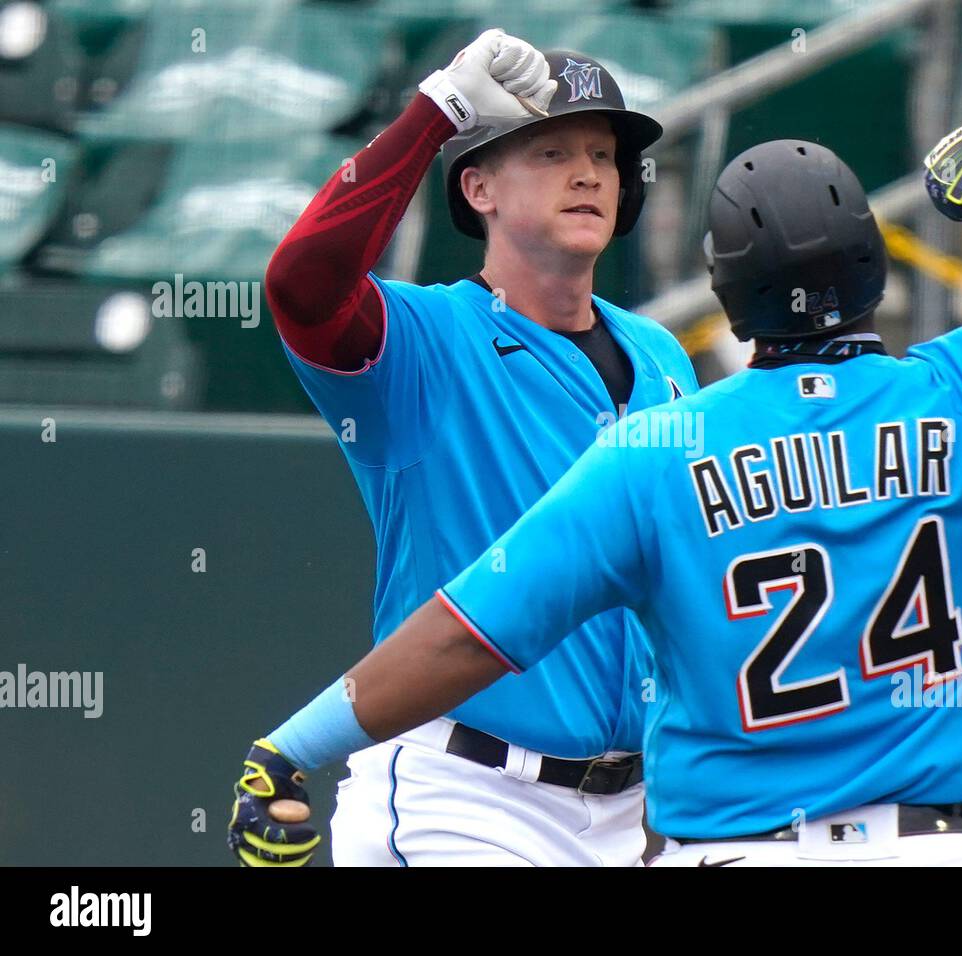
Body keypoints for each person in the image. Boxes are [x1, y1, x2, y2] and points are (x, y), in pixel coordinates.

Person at [231, 128, 962, 866]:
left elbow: (461, 632)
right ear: (876, 264)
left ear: (725, 289)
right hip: (940, 846)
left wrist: (293, 743)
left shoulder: (662, 443)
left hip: (735, 849)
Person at [230, 29, 696, 867]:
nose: (589, 172)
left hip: (628, 816)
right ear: (475, 185)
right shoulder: (422, 341)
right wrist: (435, 115)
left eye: (603, 153)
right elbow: (301, 282)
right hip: (461, 795)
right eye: (551, 150)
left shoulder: (662, 356)